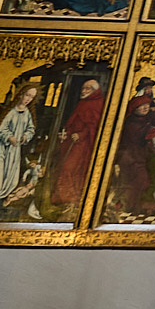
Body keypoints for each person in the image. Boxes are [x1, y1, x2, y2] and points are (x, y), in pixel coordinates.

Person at [51, 77, 106, 210]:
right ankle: (64, 198)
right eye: (83, 88)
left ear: (95, 91)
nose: (84, 90)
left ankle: (72, 198)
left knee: (70, 168)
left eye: (88, 88)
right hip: (74, 142)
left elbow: (95, 126)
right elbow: (74, 123)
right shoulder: (82, 103)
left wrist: (81, 135)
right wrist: (66, 134)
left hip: (85, 144)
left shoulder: (99, 103)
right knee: (67, 167)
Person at [0, 83, 40, 206]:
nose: (28, 99)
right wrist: (9, 137)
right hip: (3, 147)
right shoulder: (11, 111)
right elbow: (1, 128)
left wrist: (26, 136)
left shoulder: (27, 113)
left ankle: (6, 194)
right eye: (27, 95)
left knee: (12, 170)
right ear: (21, 94)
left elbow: (31, 129)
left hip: (16, 148)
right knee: (0, 168)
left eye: (31, 97)